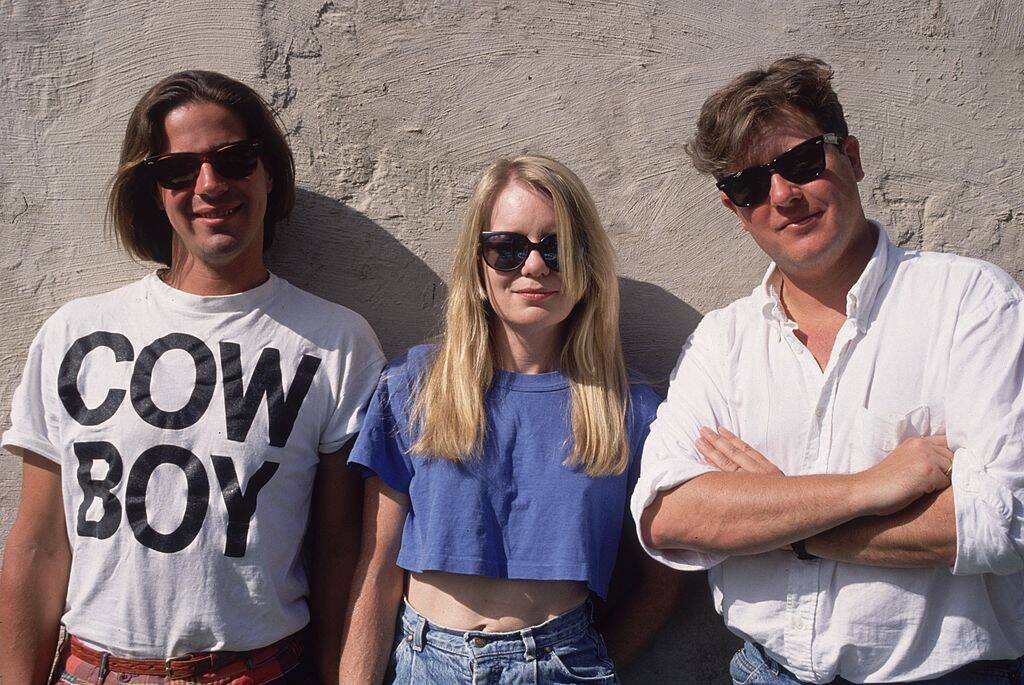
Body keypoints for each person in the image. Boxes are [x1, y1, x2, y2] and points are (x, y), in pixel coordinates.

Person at [632, 54, 1024, 684]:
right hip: (766, 671)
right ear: (736, 209)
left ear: (854, 158)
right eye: (750, 186)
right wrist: (870, 488)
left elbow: (1000, 519)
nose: (782, 196)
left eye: (801, 162)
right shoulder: (723, 340)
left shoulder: (973, 304)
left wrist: (785, 527)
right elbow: (670, 516)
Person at [0, 70, 384, 684]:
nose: (209, 185)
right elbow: (39, 544)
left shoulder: (336, 342)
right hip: (97, 670)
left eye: (232, 159)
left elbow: (338, 550)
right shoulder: (74, 333)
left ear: (267, 172)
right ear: (154, 190)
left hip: (263, 671)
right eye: (179, 170)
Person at [339, 154, 677, 684]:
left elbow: (661, 584)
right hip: (426, 662)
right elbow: (377, 569)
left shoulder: (628, 409)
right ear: (477, 266)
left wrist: (592, 664)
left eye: (558, 247)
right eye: (508, 248)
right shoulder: (414, 385)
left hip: (563, 662)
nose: (535, 267)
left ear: (588, 268)